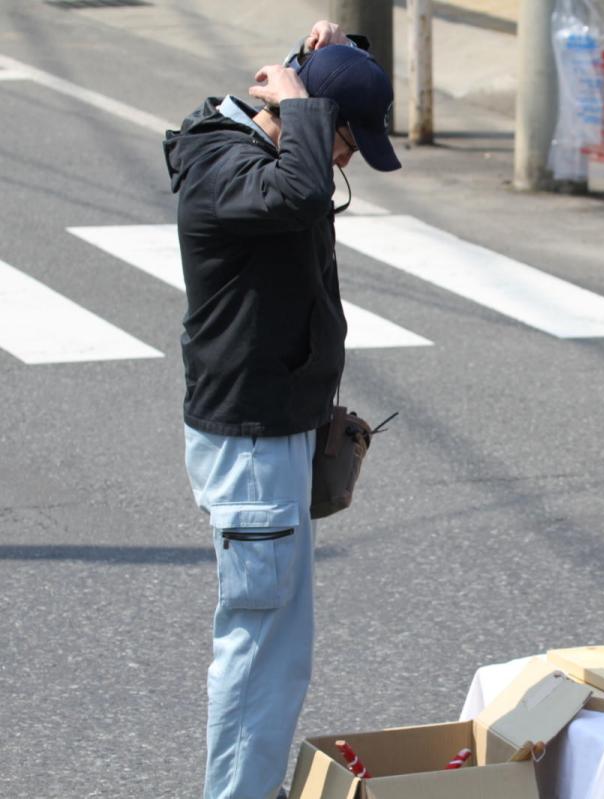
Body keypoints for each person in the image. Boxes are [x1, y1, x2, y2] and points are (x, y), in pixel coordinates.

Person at [163, 20, 400, 799]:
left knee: (279, 647)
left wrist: (317, 66)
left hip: (275, 432)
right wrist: (305, 101)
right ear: (306, 118)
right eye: (346, 139)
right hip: (253, 440)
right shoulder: (224, 166)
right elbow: (298, 190)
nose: (345, 157)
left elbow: (300, 174)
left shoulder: (261, 145)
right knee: (262, 649)